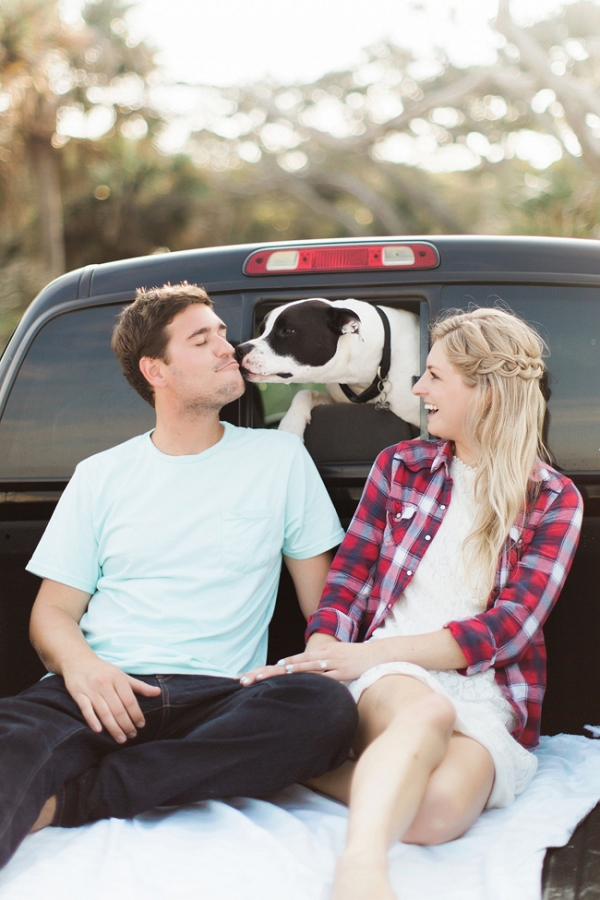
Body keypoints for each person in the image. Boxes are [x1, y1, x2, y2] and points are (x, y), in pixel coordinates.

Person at [0, 282, 358, 870]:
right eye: (203, 338)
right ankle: (122, 773)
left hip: (220, 695)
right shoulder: (100, 475)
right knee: (9, 735)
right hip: (102, 688)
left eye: (222, 332)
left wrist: (305, 664)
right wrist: (84, 667)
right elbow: (52, 614)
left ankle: (75, 798)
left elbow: (326, 608)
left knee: (320, 708)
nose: (228, 346)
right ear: (155, 370)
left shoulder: (281, 460)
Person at [242, 307, 583, 900]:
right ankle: (362, 869)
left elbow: (508, 628)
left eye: (434, 376)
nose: (418, 389)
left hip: (487, 687)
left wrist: (359, 654)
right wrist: (329, 653)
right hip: (386, 671)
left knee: (439, 813)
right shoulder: (400, 466)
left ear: (485, 391)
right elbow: (348, 579)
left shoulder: (553, 498)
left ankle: (293, 764)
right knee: (425, 713)